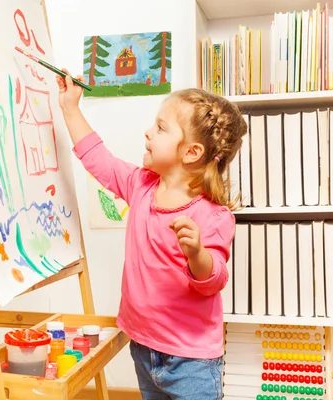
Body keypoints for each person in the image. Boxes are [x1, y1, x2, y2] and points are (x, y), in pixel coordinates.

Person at [56, 70, 247, 399]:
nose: (148, 132)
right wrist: (71, 108)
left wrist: (197, 253)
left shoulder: (213, 216)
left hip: (191, 362)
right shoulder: (141, 185)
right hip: (143, 347)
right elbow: (100, 160)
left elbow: (214, 278)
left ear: (191, 152)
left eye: (160, 128)